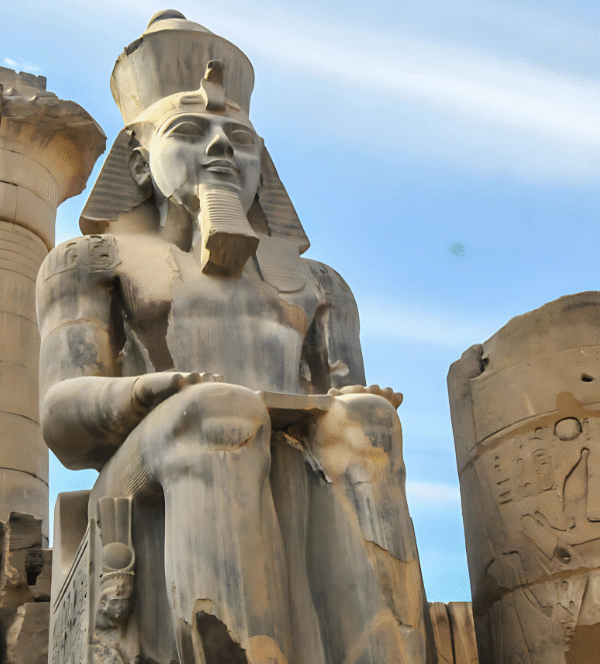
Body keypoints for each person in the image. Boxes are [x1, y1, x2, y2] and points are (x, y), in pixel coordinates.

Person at [37, 11, 431, 664]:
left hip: (271, 444)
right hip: (145, 466)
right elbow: (62, 416)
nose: (222, 150)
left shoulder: (318, 284)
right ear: (138, 159)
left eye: (240, 140)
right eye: (190, 132)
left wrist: (353, 403)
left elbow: (342, 392)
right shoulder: (91, 261)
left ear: (260, 164)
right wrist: (151, 392)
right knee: (219, 411)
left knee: (366, 423)